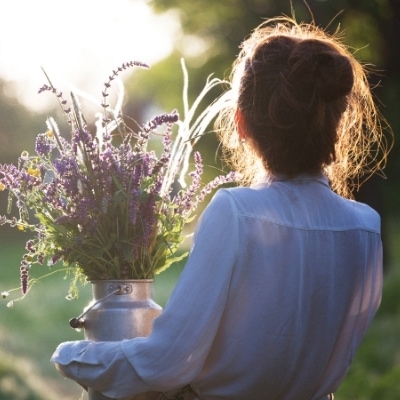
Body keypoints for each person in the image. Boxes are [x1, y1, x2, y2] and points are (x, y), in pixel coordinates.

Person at [51, 16, 391, 400]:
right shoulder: (366, 228)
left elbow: (164, 363)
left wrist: (74, 356)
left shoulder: (236, 212)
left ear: (241, 123)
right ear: (338, 125)